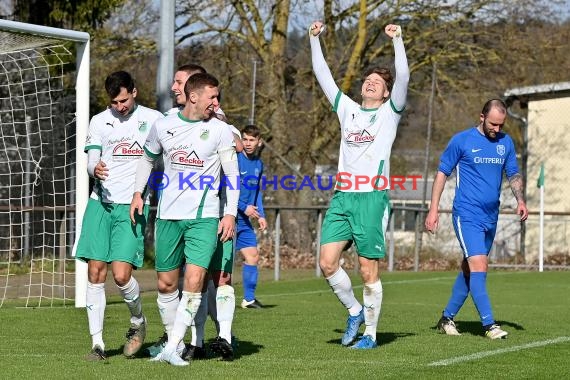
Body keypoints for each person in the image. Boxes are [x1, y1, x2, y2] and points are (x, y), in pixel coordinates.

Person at [309, 21, 409, 349]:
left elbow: (404, 77)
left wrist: (397, 41)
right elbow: (324, 76)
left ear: (385, 93)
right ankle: (354, 311)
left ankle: (371, 334)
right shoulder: (347, 110)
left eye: (377, 82)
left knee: (368, 270)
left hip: (371, 198)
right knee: (327, 262)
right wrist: (314, 40)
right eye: (367, 80)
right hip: (342, 197)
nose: (370, 83)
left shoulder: (389, 114)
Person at [130, 72, 239, 366]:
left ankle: (175, 346)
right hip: (168, 217)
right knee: (166, 284)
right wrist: (138, 193)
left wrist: (229, 213)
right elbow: (147, 158)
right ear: (194, 97)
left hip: (204, 218)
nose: (216, 103)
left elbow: (232, 175)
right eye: (212, 97)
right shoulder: (163, 125)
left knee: (194, 279)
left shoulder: (220, 130)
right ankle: (172, 341)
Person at [76, 71, 163, 360]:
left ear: (134, 92)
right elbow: (90, 160)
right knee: (95, 271)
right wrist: (94, 169)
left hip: (132, 206)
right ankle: (97, 345)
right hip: (100, 204)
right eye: (114, 102)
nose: (119, 106)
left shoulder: (153, 119)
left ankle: (138, 321)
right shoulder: (100, 121)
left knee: (122, 275)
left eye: (124, 100)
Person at [425, 98, 528, 339]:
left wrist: (520, 200)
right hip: (466, 214)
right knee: (480, 265)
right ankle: (489, 325)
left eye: (501, 125)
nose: (497, 129)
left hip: (491, 217)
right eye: (493, 124)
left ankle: (446, 318)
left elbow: (513, 173)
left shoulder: (506, 142)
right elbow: (442, 175)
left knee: (469, 269)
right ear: (482, 117)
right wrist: (433, 209)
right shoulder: (461, 140)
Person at [236, 124, 267, 309]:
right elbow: (225, 190)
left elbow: (257, 192)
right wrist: (243, 207)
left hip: (245, 219)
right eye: (245, 139)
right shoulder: (235, 159)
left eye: (252, 140)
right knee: (222, 265)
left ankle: (248, 299)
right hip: (228, 217)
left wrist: (260, 215)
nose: (247, 143)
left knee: (253, 256)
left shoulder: (258, 164)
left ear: (259, 142)